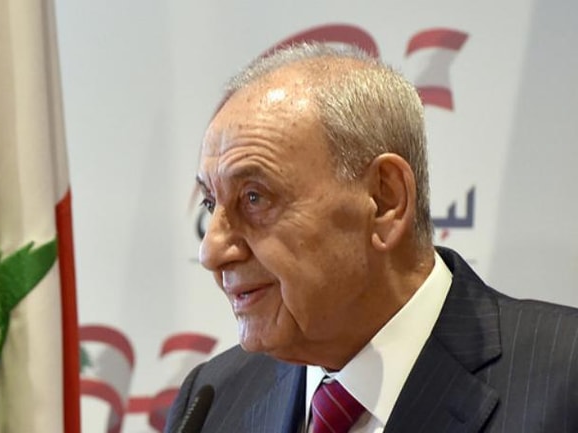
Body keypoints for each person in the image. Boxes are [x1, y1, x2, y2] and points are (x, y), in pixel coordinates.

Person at [164, 42, 578, 433]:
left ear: (384, 200)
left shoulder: (564, 381)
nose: (211, 251)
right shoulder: (212, 403)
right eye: (210, 204)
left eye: (254, 197)